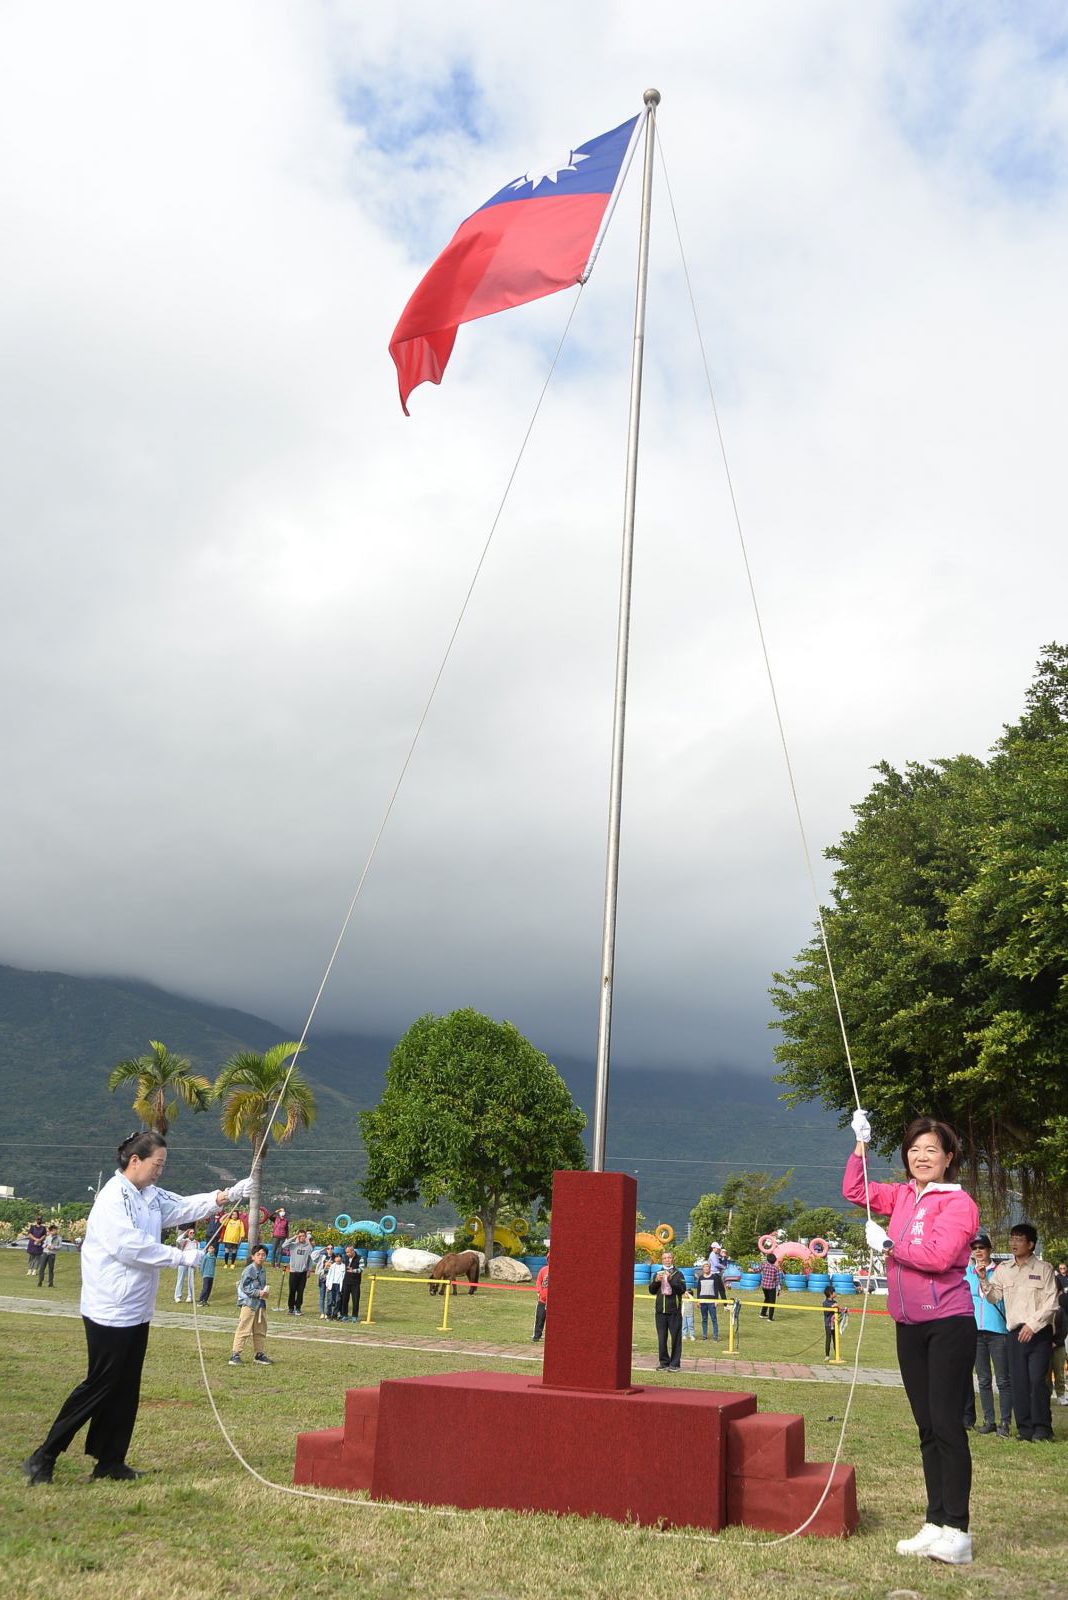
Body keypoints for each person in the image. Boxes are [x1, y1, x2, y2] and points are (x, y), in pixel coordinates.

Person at [20, 1131, 251, 1485]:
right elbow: (129, 1246)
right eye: (157, 1164)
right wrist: (180, 1257)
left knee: (126, 1386)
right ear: (135, 1161)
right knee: (99, 1384)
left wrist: (228, 1195)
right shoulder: (113, 1197)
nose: (160, 1171)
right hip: (109, 1308)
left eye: (163, 1165)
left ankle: (110, 1461)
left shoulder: (150, 1195)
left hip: (137, 1308)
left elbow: (181, 1207)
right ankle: (44, 1455)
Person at [846, 1109, 979, 1566]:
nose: (922, 1157)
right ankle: (935, 1521)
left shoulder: (958, 1203)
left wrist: (887, 1245)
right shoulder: (903, 1195)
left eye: (932, 1150)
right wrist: (860, 1144)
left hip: (948, 1323)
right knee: (926, 1427)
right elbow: (856, 1191)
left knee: (946, 1425)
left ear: (948, 1158)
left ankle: (957, 1530)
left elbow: (939, 1256)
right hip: (909, 1325)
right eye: (914, 1150)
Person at [976, 1222, 1058, 1443]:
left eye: (1019, 1239)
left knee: (1037, 1381)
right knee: (1019, 1381)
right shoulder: (1004, 1269)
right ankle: (1025, 1428)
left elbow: (1051, 1302)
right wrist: (983, 1279)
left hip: (1038, 1332)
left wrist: (1032, 1325)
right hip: (1014, 1333)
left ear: (1031, 1244)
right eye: (1012, 1238)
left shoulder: (1044, 1269)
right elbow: (994, 1297)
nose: (1014, 1243)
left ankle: (1042, 1428)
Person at [963, 1235, 1012, 1438]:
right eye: (974, 1247)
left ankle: (1005, 1422)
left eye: (982, 1247)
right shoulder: (967, 1273)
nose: (978, 1251)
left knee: (1002, 1379)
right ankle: (988, 1420)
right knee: (983, 1379)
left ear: (990, 1250)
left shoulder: (1000, 1272)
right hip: (975, 1331)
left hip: (997, 1331)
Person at [229, 1244, 271, 1364]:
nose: (261, 1257)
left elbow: (261, 1286)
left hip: (260, 1304)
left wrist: (264, 1293)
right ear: (253, 1256)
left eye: (263, 1255)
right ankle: (235, 1354)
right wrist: (258, 1292)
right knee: (244, 1328)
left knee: (260, 1330)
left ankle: (259, 1354)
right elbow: (244, 1287)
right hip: (249, 1303)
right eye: (258, 1254)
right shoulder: (249, 1270)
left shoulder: (263, 1270)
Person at [648, 1251, 686, 1371]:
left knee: (676, 1338)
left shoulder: (678, 1274)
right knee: (661, 1338)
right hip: (660, 1312)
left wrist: (671, 1280)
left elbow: (682, 1289)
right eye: (665, 1258)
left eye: (669, 1257)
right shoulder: (657, 1273)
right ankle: (664, 1362)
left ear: (672, 1259)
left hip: (674, 1311)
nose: (667, 1260)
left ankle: (675, 1364)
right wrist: (656, 1281)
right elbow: (651, 1291)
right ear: (662, 1260)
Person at [287, 1230, 313, 1316]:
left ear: (305, 1237)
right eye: (300, 1236)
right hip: (293, 1272)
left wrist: (309, 1270)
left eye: (303, 1236)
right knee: (292, 1291)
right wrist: (294, 1237)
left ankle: (298, 1308)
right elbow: (284, 1245)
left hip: (303, 1273)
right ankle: (291, 1308)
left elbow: (310, 1259)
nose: (302, 1237)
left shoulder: (308, 1247)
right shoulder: (293, 1245)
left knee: (300, 1291)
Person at [694, 1259, 721, 1341]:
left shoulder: (714, 1277)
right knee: (704, 1319)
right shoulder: (701, 1278)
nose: (706, 1268)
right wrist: (698, 1301)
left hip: (711, 1301)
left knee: (714, 1319)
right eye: (704, 1267)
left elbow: (716, 1289)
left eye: (707, 1267)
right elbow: (698, 1290)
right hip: (703, 1301)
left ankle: (715, 1336)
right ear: (703, 1268)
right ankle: (704, 1335)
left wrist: (716, 1300)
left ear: (710, 1268)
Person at [339, 1246, 364, 1322]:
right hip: (346, 1282)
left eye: (348, 1252)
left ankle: (354, 1316)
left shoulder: (360, 1258)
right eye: (346, 1252)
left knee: (355, 1300)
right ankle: (345, 1315)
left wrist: (353, 1270)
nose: (347, 1254)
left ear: (352, 1251)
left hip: (355, 1283)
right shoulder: (345, 1258)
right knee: (344, 1300)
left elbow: (361, 1269)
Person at [174, 1227, 197, 1302]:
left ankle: (189, 1296)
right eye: (191, 1233)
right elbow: (178, 1240)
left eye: (193, 1233)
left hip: (191, 1262)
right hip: (183, 1261)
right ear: (188, 1234)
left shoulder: (196, 1243)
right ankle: (177, 1296)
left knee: (191, 1280)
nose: (192, 1234)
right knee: (180, 1278)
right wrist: (185, 1233)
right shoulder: (184, 1241)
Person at [759, 1254, 784, 1320]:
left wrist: (751, 1269)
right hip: (771, 1287)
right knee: (772, 1302)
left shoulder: (763, 1265)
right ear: (774, 1261)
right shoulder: (775, 1268)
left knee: (766, 1299)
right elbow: (777, 1279)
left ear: (767, 1259)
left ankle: (762, 1314)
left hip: (764, 1286)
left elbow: (757, 1269)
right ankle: (770, 1318)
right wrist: (779, 1287)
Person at [531, 1254, 549, 1342]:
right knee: (540, 1318)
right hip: (543, 1300)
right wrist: (539, 1292)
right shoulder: (543, 1270)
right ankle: (536, 1336)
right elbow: (538, 1281)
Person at [325, 1250, 346, 1320]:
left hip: (339, 1285)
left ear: (341, 1259)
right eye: (336, 1260)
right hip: (331, 1284)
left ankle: (335, 1315)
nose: (338, 1261)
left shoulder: (343, 1266)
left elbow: (344, 1277)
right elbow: (328, 1276)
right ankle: (328, 1314)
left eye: (339, 1260)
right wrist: (327, 1285)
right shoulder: (332, 1266)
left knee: (338, 1301)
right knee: (330, 1301)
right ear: (335, 1259)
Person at [197, 1242, 218, 1306]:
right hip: (206, 1275)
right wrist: (202, 1273)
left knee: (209, 1289)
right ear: (208, 1249)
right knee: (205, 1288)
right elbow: (202, 1266)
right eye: (210, 1248)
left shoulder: (214, 1257)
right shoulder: (206, 1257)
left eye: (213, 1248)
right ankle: (201, 1300)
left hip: (211, 1275)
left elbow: (214, 1265)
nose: (212, 1249)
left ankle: (205, 1300)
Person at [823, 1284, 839, 1360]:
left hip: (835, 1324)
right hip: (828, 1324)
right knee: (828, 1339)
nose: (836, 1293)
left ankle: (837, 1355)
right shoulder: (825, 1303)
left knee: (835, 1340)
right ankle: (827, 1355)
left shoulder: (835, 1302)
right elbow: (826, 1312)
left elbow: (838, 1311)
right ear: (830, 1293)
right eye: (834, 1292)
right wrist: (832, 1306)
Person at [316, 1246, 332, 1317]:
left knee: (330, 1297)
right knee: (322, 1296)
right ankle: (322, 1313)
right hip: (322, 1278)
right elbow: (313, 1255)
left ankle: (328, 1312)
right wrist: (322, 1249)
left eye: (331, 1248)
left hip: (330, 1279)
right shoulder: (322, 1256)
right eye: (328, 1248)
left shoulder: (335, 1257)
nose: (330, 1250)